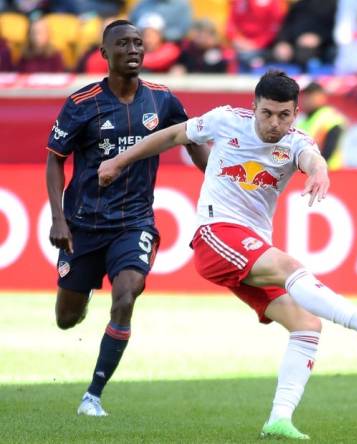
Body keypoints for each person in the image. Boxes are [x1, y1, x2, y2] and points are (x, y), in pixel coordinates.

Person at [97, 70, 357, 440]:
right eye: (267, 113)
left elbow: (312, 157)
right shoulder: (225, 120)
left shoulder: (296, 142)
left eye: (284, 115)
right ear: (254, 107)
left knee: (307, 326)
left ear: (296, 113)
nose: (274, 123)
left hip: (250, 246)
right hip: (216, 234)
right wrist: (119, 160)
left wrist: (321, 171)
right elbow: (173, 135)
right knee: (288, 266)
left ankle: (279, 419)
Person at [45, 20, 208, 417]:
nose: (133, 49)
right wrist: (58, 219)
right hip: (82, 225)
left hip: (134, 222)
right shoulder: (81, 103)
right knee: (67, 319)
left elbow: (192, 140)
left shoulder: (162, 100)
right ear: (104, 53)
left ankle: (93, 395)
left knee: (127, 294)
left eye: (139, 42)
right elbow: (55, 159)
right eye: (123, 43)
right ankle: (81, 295)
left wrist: (219, 178)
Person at [295, 81, 346, 170]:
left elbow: (329, 149)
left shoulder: (330, 117)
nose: (306, 99)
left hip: (329, 172)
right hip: (308, 172)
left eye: (310, 95)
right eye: (304, 96)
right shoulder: (302, 121)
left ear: (321, 97)